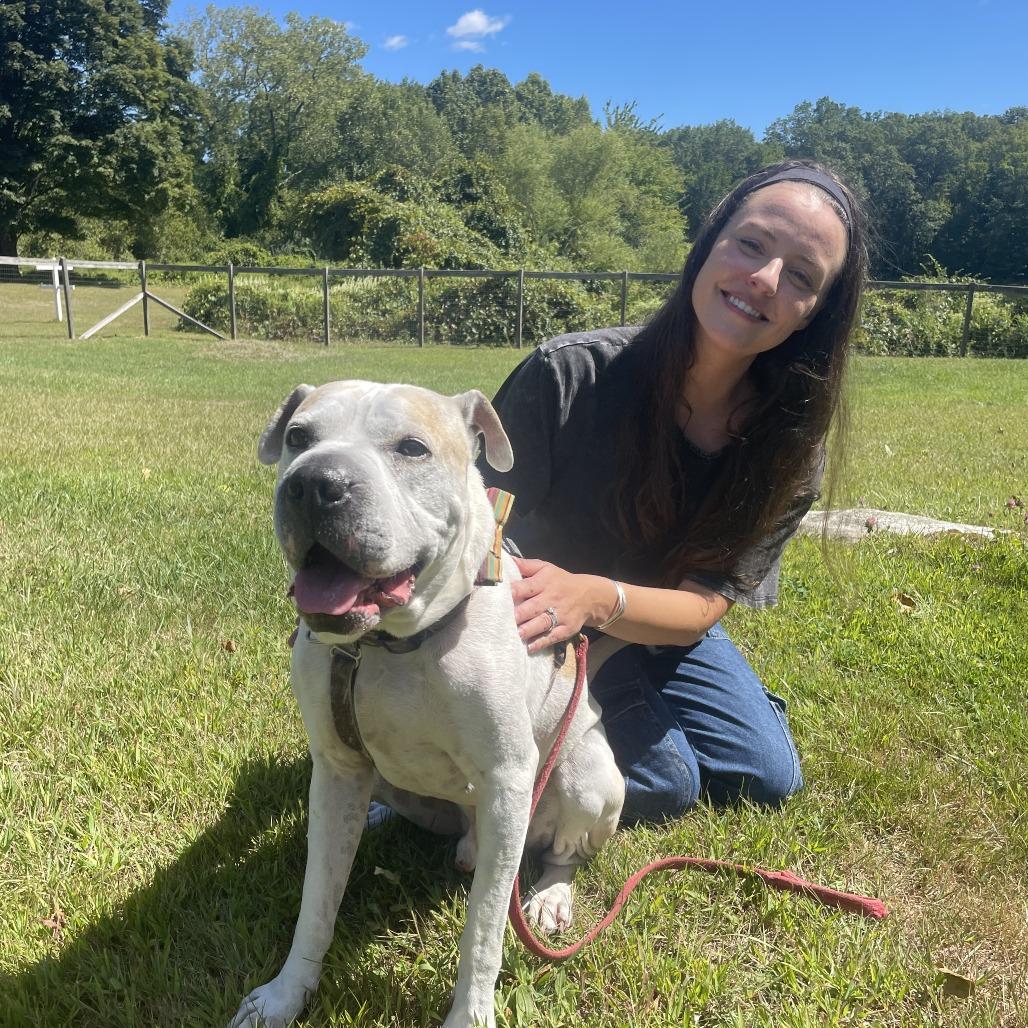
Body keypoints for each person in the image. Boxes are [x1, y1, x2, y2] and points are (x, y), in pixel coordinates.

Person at [479, 159, 868, 826]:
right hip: (532, 618)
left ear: (812, 314)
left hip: (648, 623)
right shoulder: (567, 374)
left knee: (767, 776)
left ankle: (618, 703)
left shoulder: (789, 446)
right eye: (750, 243)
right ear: (709, 244)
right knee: (668, 781)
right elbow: (473, 528)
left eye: (801, 277)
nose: (765, 279)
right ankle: (438, 786)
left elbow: (701, 606)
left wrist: (599, 599)